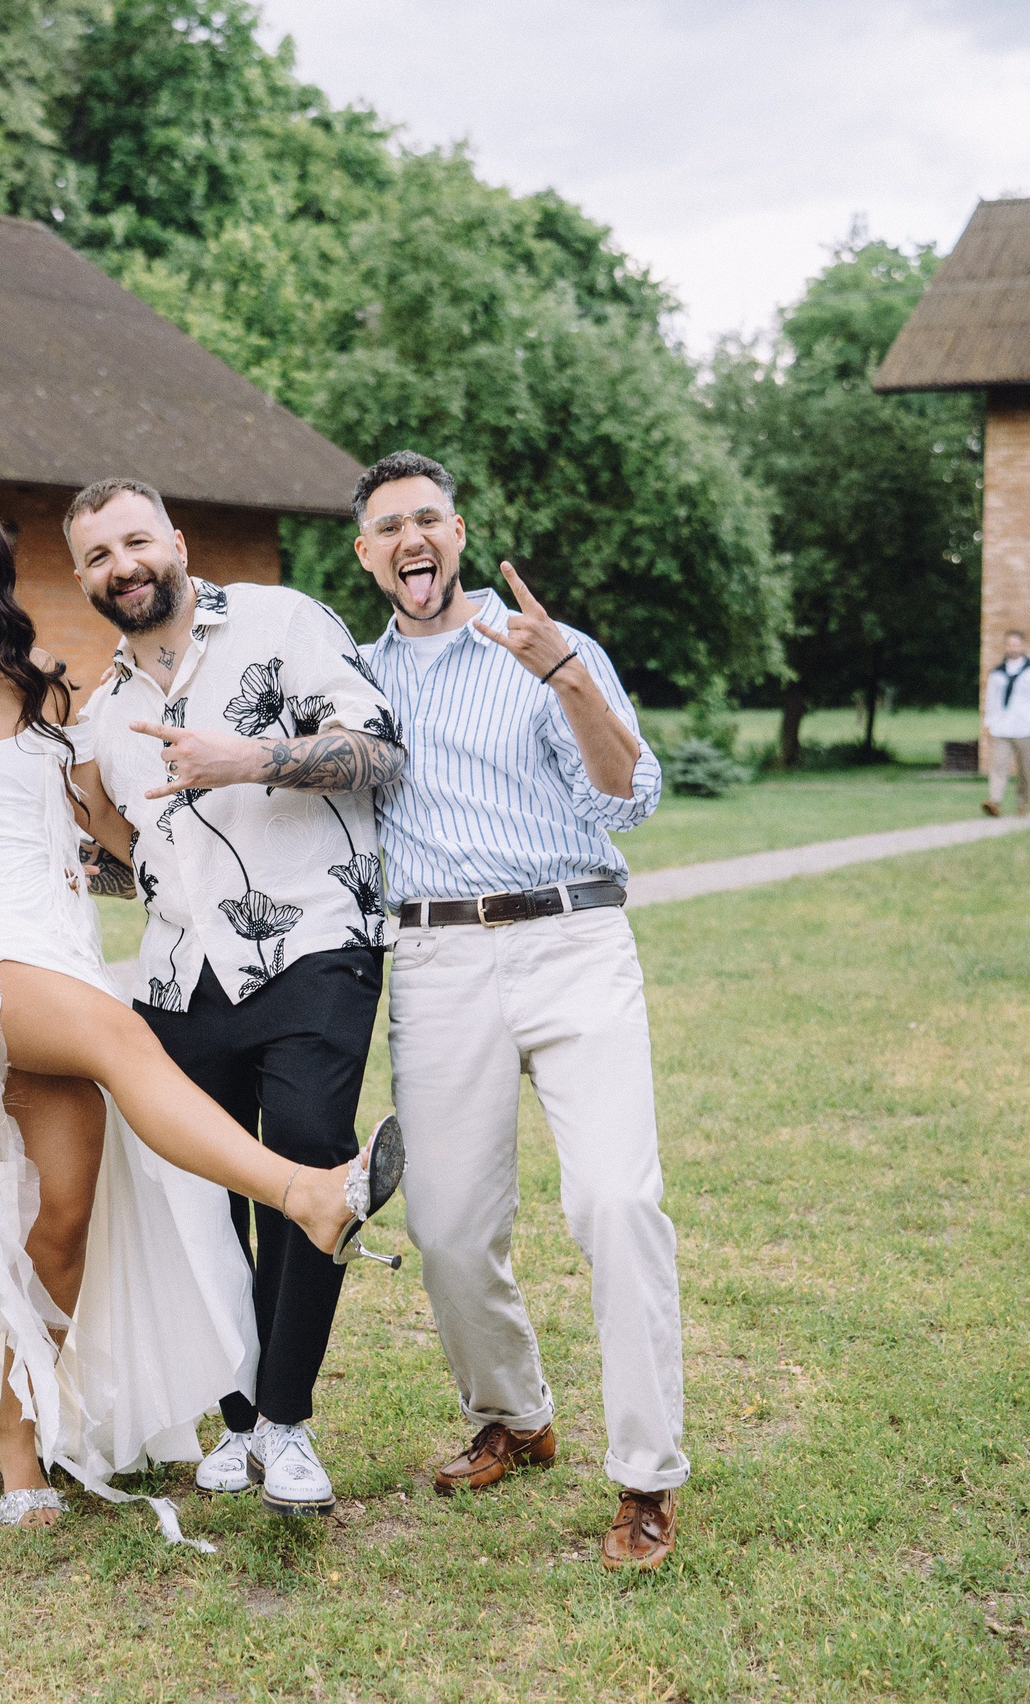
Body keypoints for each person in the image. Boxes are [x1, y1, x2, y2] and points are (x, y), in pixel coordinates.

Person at [0, 493, 400, 1535]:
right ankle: (307, 1194)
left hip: (50, 951)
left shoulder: (43, 698)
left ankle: (16, 1440)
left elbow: (112, 840)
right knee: (126, 1037)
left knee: (61, 1223)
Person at [348, 450, 688, 1571]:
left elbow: (627, 799)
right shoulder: (355, 678)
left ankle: (645, 1479)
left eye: (429, 519)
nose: (412, 539)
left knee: (614, 1203)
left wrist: (568, 678)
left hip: (572, 937)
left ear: (456, 534)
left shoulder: (544, 644)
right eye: (389, 525)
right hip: (437, 959)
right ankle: (515, 1414)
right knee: (445, 1228)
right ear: (367, 555)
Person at [61, 477, 407, 1518]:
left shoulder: (280, 619)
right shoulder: (100, 715)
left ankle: (288, 1423)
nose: (121, 566)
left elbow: (380, 750)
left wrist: (248, 755)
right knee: (196, 1200)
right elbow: (137, 862)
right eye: (95, 557)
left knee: (306, 1147)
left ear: (175, 539)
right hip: (178, 973)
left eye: (134, 541)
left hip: (313, 937)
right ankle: (238, 1421)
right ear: (83, 580)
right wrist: (84, 852)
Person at [983, 629, 1030, 818]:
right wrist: (989, 724)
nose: (1013, 648)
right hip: (1001, 727)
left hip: (1026, 727)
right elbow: (992, 700)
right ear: (1005, 646)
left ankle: (1022, 803)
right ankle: (994, 801)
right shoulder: (997, 673)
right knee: (998, 765)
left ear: (1023, 646)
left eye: (1017, 644)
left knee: (1025, 769)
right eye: (1010, 644)